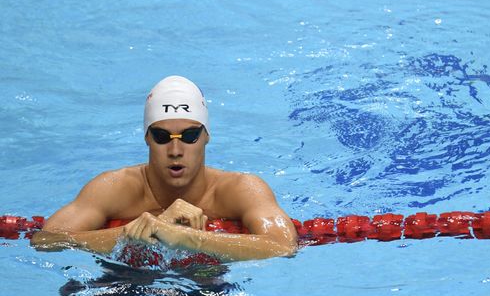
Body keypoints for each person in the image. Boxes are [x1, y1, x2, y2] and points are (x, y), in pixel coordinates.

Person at [31, 76, 298, 261]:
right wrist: (135, 232)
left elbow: (283, 245)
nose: (176, 150)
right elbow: (46, 240)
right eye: (161, 137)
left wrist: (188, 239)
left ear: (207, 136)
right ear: (147, 138)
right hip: (123, 274)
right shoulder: (116, 187)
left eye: (190, 136)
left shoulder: (239, 189)